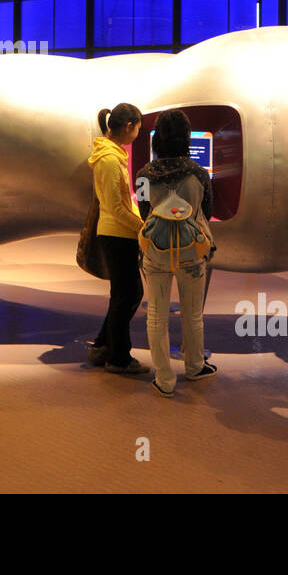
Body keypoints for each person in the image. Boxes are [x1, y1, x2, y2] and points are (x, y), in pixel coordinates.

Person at [134, 109, 218, 397]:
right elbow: (206, 212)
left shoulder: (144, 174)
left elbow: (144, 212)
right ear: (186, 137)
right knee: (193, 314)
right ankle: (194, 367)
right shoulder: (199, 173)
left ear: (158, 138)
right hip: (191, 252)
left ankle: (164, 378)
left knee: (156, 315)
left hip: (154, 252)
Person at [87, 102, 148, 375]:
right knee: (131, 294)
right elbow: (115, 206)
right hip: (117, 234)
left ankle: (102, 347)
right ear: (128, 127)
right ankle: (118, 358)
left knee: (122, 296)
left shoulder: (112, 155)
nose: (137, 134)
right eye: (137, 129)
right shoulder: (110, 160)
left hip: (118, 233)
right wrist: (141, 226)